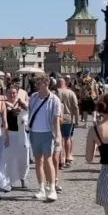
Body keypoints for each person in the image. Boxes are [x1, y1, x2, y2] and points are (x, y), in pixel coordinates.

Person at [28, 74, 62, 202]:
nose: (37, 86)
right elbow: (30, 111)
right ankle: (41, 188)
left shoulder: (54, 99)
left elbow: (56, 119)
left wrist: (58, 135)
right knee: (38, 161)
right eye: (36, 84)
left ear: (46, 83)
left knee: (48, 160)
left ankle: (52, 188)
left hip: (48, 132)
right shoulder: (33, 97)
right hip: (35, 132)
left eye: (39, 83)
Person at [56, 77, 80, 168]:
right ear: (65, 84)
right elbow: (76, 107)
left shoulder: (54, 93)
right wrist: (77, 119)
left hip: (57, 119)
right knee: (67, 138)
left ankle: (60, 160)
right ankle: (68, 157)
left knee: (59, 139)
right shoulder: (71, 93)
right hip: (68, 118)